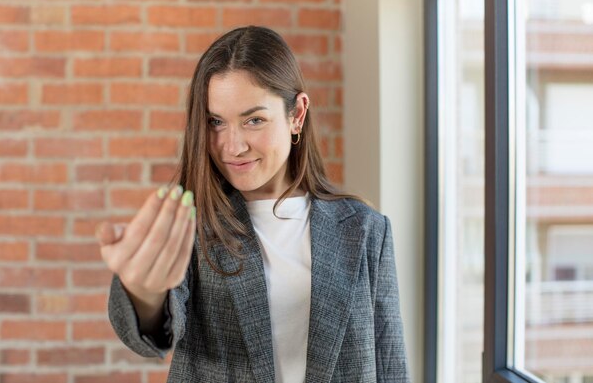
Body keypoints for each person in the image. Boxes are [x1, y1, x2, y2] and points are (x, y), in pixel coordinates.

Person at [97, 26, 410, 383]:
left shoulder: (366, 229)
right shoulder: (194, 224)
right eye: (216, 122)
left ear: (297, 115)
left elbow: (390, 365)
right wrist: (144, 293)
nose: (233, 146)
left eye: (254, 120)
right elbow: (154, 333)